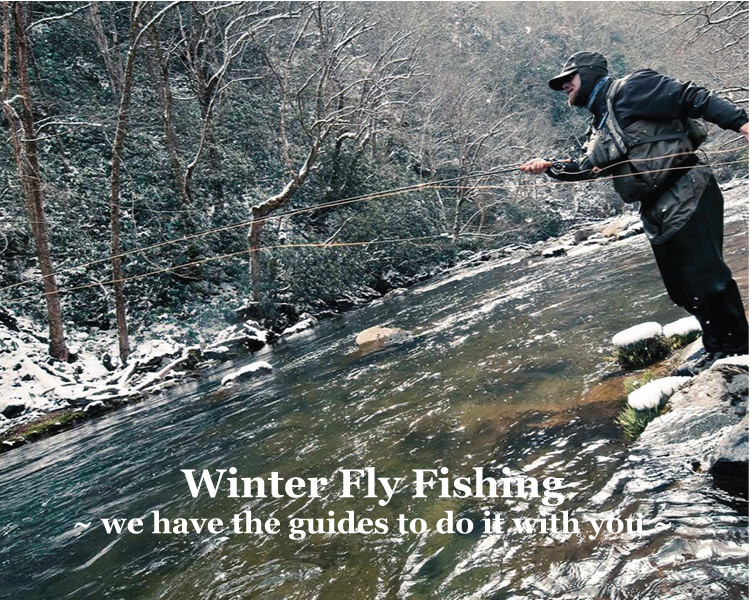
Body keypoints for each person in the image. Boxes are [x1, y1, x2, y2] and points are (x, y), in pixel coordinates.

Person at [521, 51, 749, 374]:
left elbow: (692, 97)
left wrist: (742, 123)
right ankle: (716, 346)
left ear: (587, 74)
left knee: (707, 278)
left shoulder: (633, 89)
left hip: (687, 187)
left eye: (568, 80)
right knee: (681, 288)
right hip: (656, 208)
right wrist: (549, 168)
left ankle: (738, 350)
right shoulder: (600, 123)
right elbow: (589, 167)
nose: (564, 87)